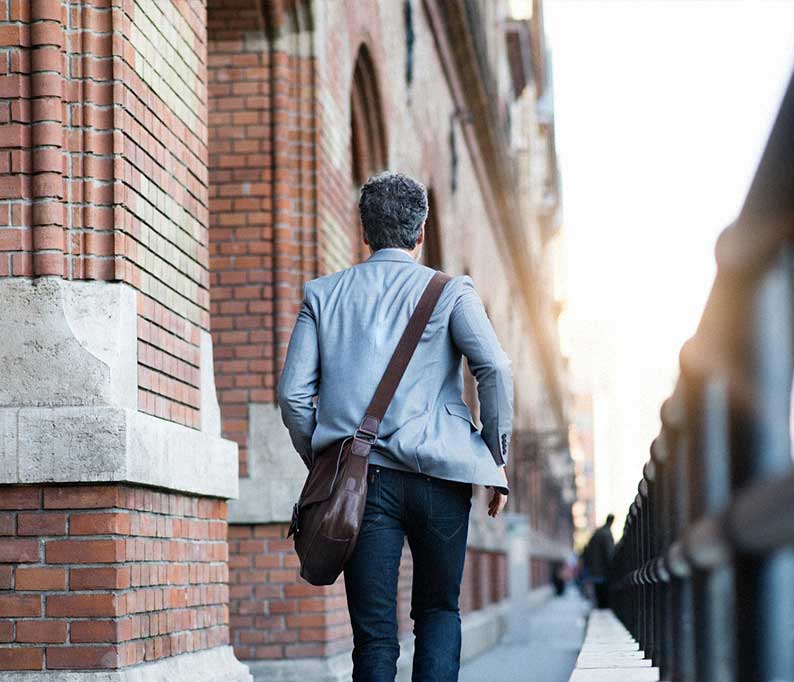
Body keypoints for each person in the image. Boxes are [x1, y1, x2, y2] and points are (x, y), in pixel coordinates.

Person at [278, 171, 513, 682]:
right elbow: (493, 367)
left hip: (364, 484)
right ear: (421, 232)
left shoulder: (323, 295)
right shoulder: (451, 292)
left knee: (375, 636)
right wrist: (497, 458)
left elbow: (293, 397)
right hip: (442, 479)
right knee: (437, 613)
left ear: (363, 231)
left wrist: (330, 462)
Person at [582, 514, 615, 609]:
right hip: (603, 571)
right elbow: (609, 553)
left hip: (595, 570)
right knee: (604, 598)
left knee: (598, 596)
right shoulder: (606, 534)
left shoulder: (598, 532)